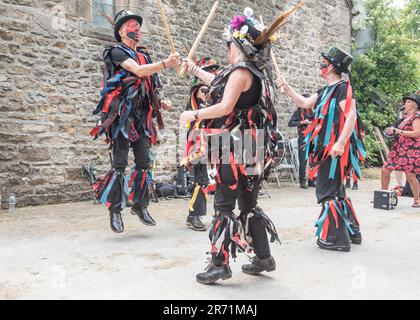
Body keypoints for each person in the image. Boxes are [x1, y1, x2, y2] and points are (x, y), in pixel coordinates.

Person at [180, 9, 280, 284]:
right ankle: (263, 257)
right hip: (251, 146)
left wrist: (195, 115)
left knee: (223, 205)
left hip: (234, 146)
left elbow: (224, 105)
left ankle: (219, 264)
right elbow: (221, 84)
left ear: (238, 45)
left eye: (229, 44)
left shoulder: (240, 72)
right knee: (248, 203)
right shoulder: (253, 71)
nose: (226, 49)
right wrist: (195, 70)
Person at [90, 10, 180, 233]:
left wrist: (160, 102)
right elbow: (138, 72)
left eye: (137, 25)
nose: (136, 28)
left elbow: (148, 84)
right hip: (121, 117)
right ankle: (115, 210)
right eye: (130, 25)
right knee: (119, 164)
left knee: (144, 163)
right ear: (121, 31)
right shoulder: (116, 52)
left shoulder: (144, 56)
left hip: (141, 118)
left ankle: (140, 205)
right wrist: (165, 63)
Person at [277, 47, 366, 252]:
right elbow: (304, 103)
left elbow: (351, 116)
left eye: (323, 63)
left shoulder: (344, 87)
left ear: (331, 67)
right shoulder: (325, 90)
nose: (320, 66)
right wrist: (288, 88)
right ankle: (352, 232)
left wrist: (341, 143)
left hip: (334, 148)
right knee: (337, 190)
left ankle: (338, 240)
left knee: (326, 190)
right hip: (326, 148)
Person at [183, 58, 220, 232]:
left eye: (215, 71)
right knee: (201, 178)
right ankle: (193, 216)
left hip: (209, 138)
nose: (213, 74)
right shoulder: (200, 90)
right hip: (198, 140)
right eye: (210, 70)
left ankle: (218, 212)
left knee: (209, 178)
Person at [381, 94, 420, 208]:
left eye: (408, 102)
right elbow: (399, 131)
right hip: (399, 149)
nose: (405, 104)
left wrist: (397, 131)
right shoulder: (405, 118)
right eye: (406, 102)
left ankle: (417, 200)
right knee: (385, 170)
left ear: (415, 105)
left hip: (410, 150)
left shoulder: (416, 117)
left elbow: (417, 133)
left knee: (410, 176)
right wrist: (391, 132)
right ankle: (384, 196)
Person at [287, 101, 315, 188]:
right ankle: (302, 181)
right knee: (303, 160)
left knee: (312, 159)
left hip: (313, 138)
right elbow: (290, 123)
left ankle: (311, 179)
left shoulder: (312, 112)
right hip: (303, 138)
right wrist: (302, 122)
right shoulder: (298, 112)